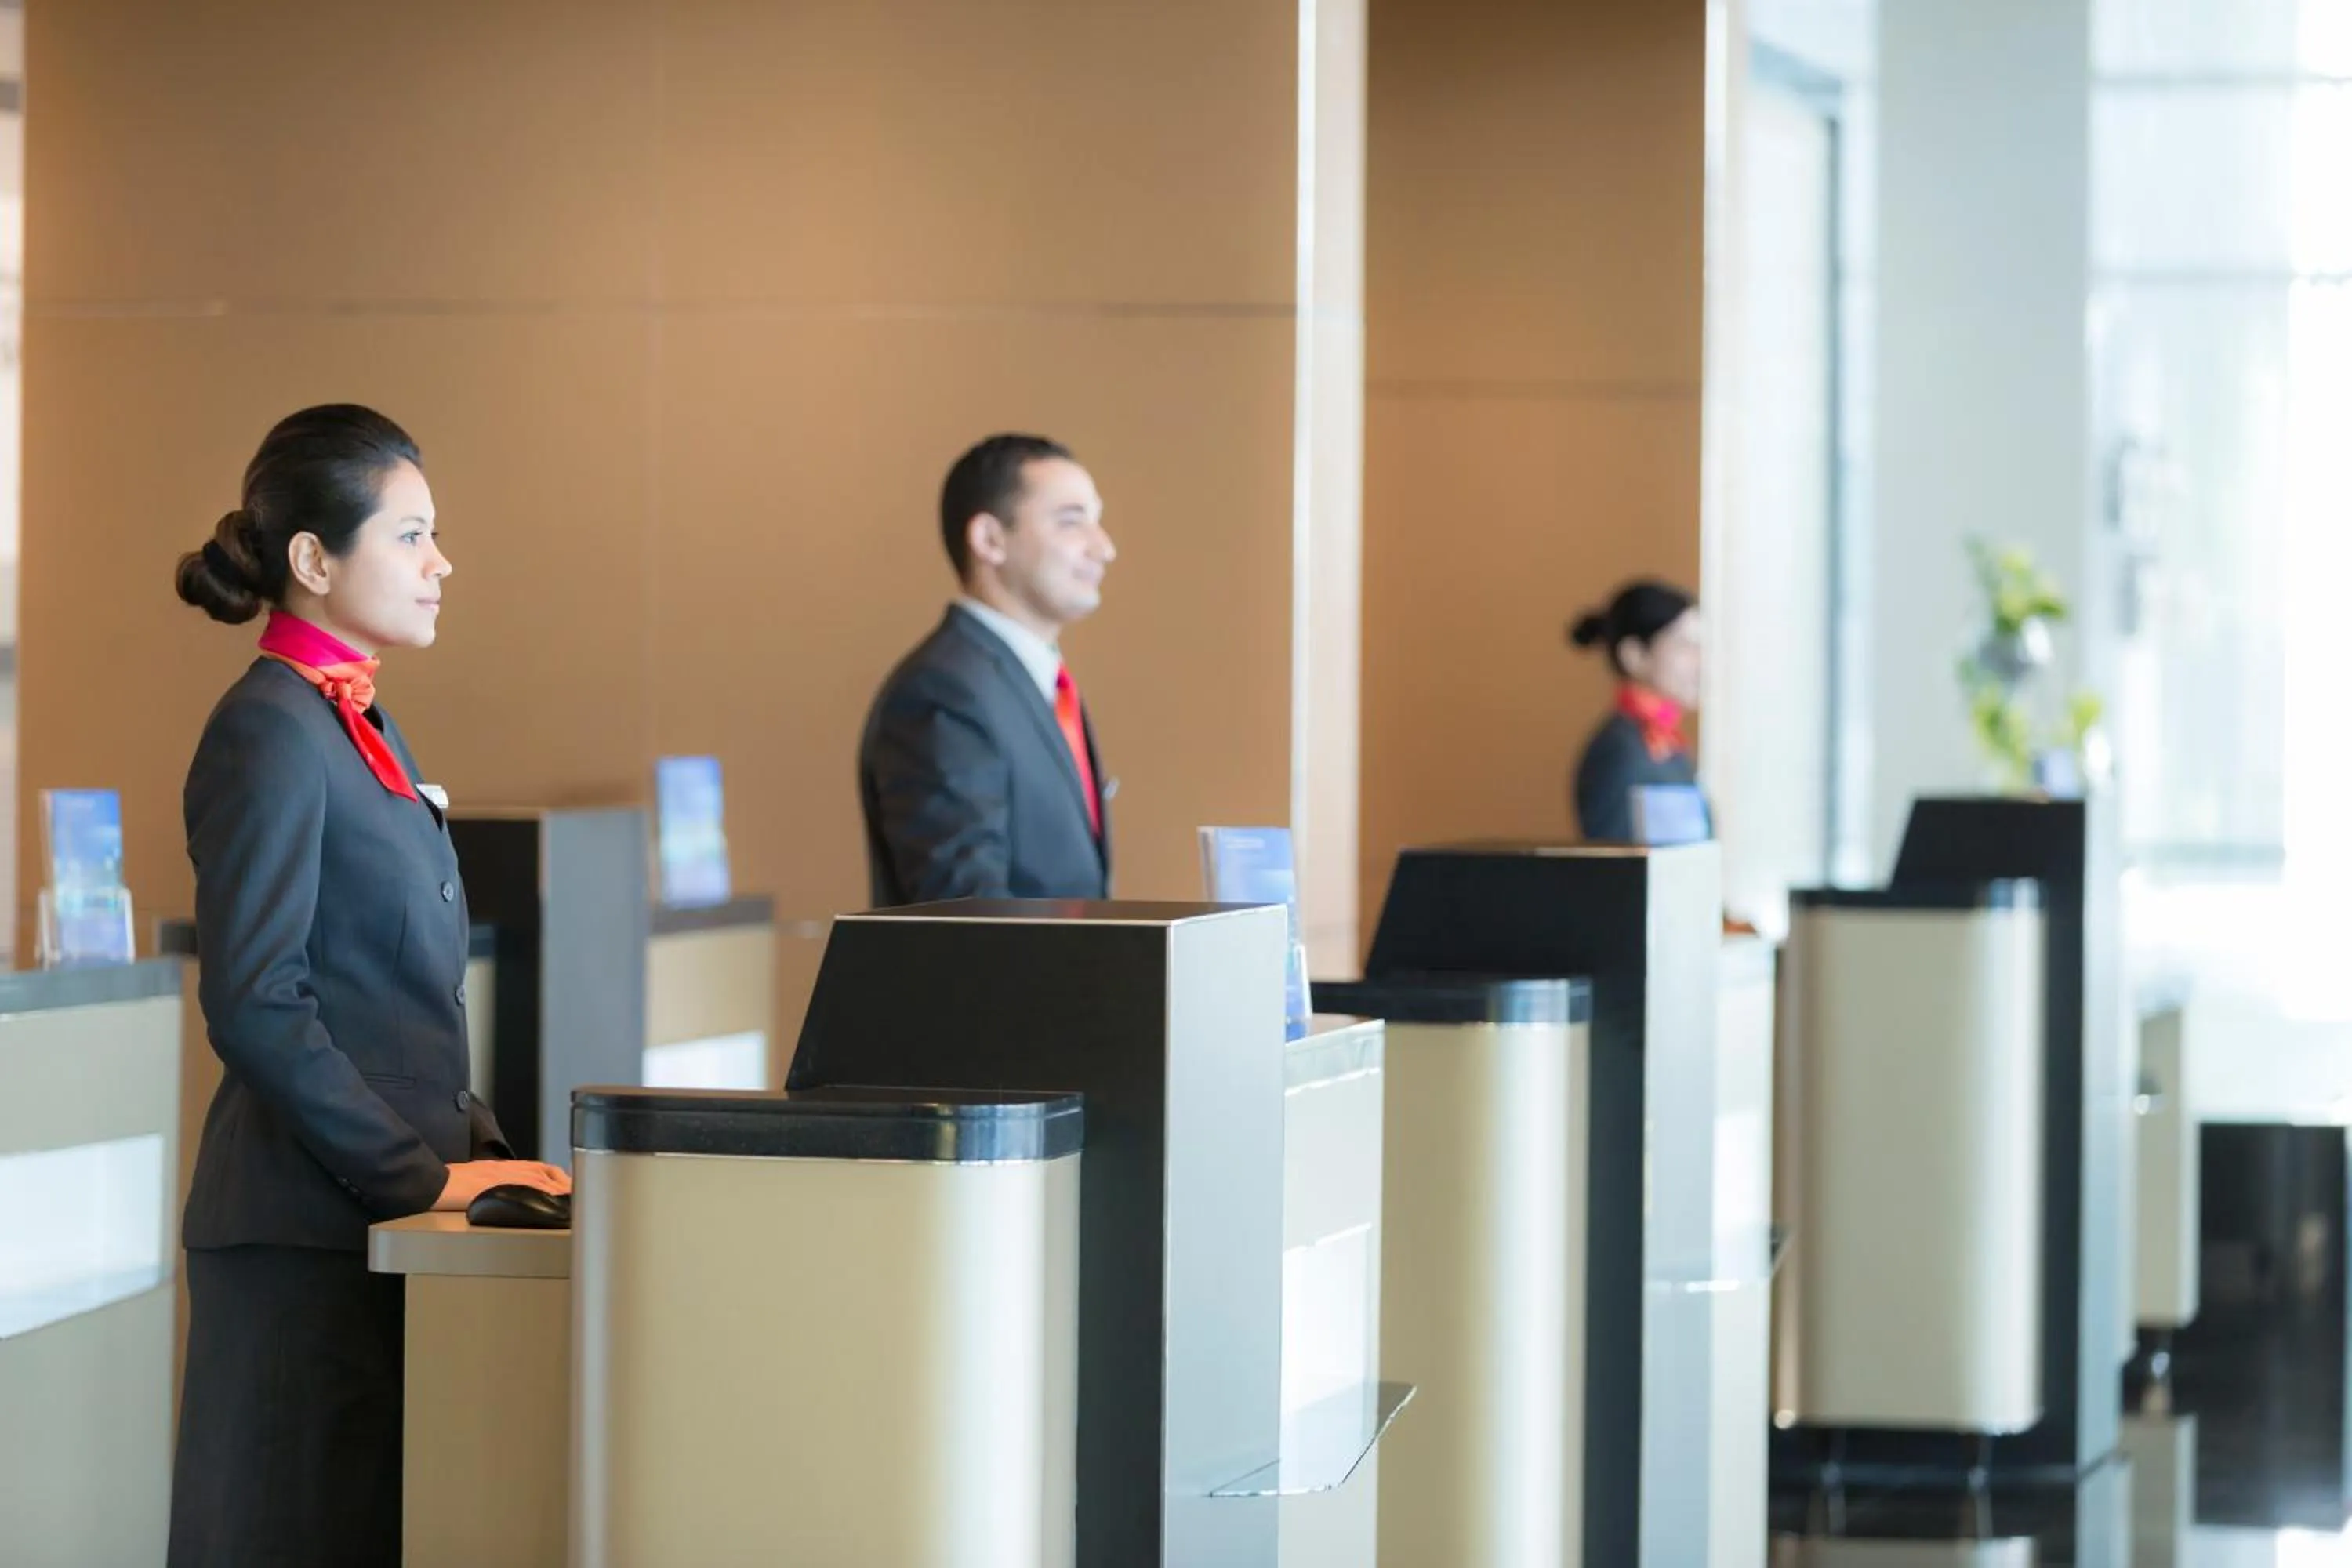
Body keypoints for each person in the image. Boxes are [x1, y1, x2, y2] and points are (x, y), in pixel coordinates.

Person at [166, 405, 568, 1568]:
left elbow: (381, 999)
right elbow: (257, 999)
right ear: (313, 558)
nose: (441, 564)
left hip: (370, 1224)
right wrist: (422, 1175)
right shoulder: (270, 729)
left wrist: (481, 1157)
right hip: (300, 1235)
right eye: (410, 535)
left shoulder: (352, 717)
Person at [858, 434, 1118, 906]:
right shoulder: (943, 690)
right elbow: (968, 909)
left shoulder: (1033, 681)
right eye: (1071, 521)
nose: (1103, 548)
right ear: (989, 540)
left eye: (1097, 521)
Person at [1567, 579, 1707, 844]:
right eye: (1684, 645)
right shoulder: (1620, 749)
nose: (1700, 662)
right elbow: (1617, 860)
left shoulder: (1668, 745)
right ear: (1635, 655)